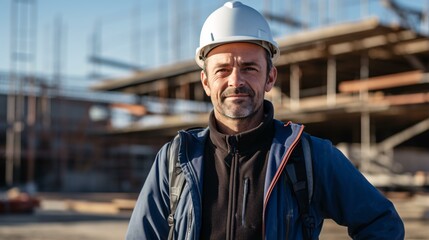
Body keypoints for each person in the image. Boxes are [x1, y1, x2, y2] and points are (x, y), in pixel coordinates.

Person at [126, 1, 404, 239]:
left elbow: (382, 223)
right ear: (206, 82)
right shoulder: (175, 159)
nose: (235, 81)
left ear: (269, 77)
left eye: (249, 67)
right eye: (222, 70)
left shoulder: (308, 156)